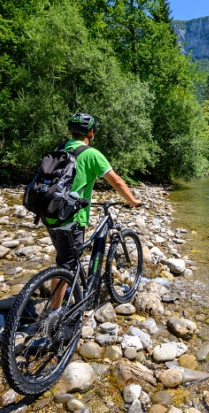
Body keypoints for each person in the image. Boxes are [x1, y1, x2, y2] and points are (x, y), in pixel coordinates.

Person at [47, 112, 141, 310]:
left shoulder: (60, 149)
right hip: (71, 216)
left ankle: (64, 299)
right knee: (67, 266)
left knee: (62, 260)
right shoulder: (91, 154)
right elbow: (116, 181)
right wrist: (133, 201)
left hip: (51, 212)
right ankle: (54, 314)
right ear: (91, 132)